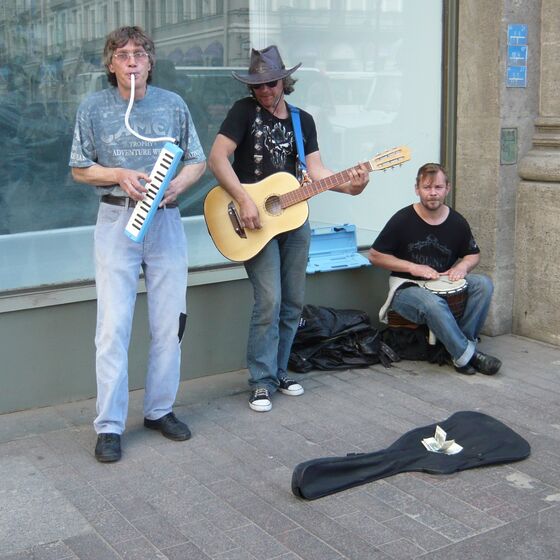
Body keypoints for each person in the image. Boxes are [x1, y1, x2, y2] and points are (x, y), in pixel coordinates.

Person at [69, 26, 206, 462]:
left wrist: (177, 187)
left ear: (150, 62)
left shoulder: (173, 105)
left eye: (140, 53)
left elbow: (197, 160)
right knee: (113, 326)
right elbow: (79, 168)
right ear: (110, 64)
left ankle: (159, 410)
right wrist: (117, 175)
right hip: (116, 219)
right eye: (123, 54)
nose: (132, 61)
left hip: (164, 220)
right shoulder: (93, 107)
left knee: (169, 322)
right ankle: (109, 425)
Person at [208, 45, 369, 412]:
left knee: (293, 301)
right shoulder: (242, 112)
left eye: (271, 84)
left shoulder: (302, 120)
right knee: (269, 299)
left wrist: (352, 186)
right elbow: (217, 158)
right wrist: (245, 200)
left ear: (284, 81)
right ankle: (260, 381)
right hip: (250, 220)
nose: (264, 91)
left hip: (294, 220)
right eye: (258, 86)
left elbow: (319, 173)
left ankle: (279, 371)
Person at [369, 162, 501, 376]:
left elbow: (472, 253)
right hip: (406, 288)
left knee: (483, 284)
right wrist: (412, 267)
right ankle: (468, 355)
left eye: (438, 188)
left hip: (443, 281)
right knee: (433, 302)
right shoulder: (402, 219)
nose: (432, 193)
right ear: (417, 189)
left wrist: (463, 266)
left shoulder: (457, 222)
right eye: (427, 188)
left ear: (447, 188)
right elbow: (375, 255)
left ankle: (459, 348)